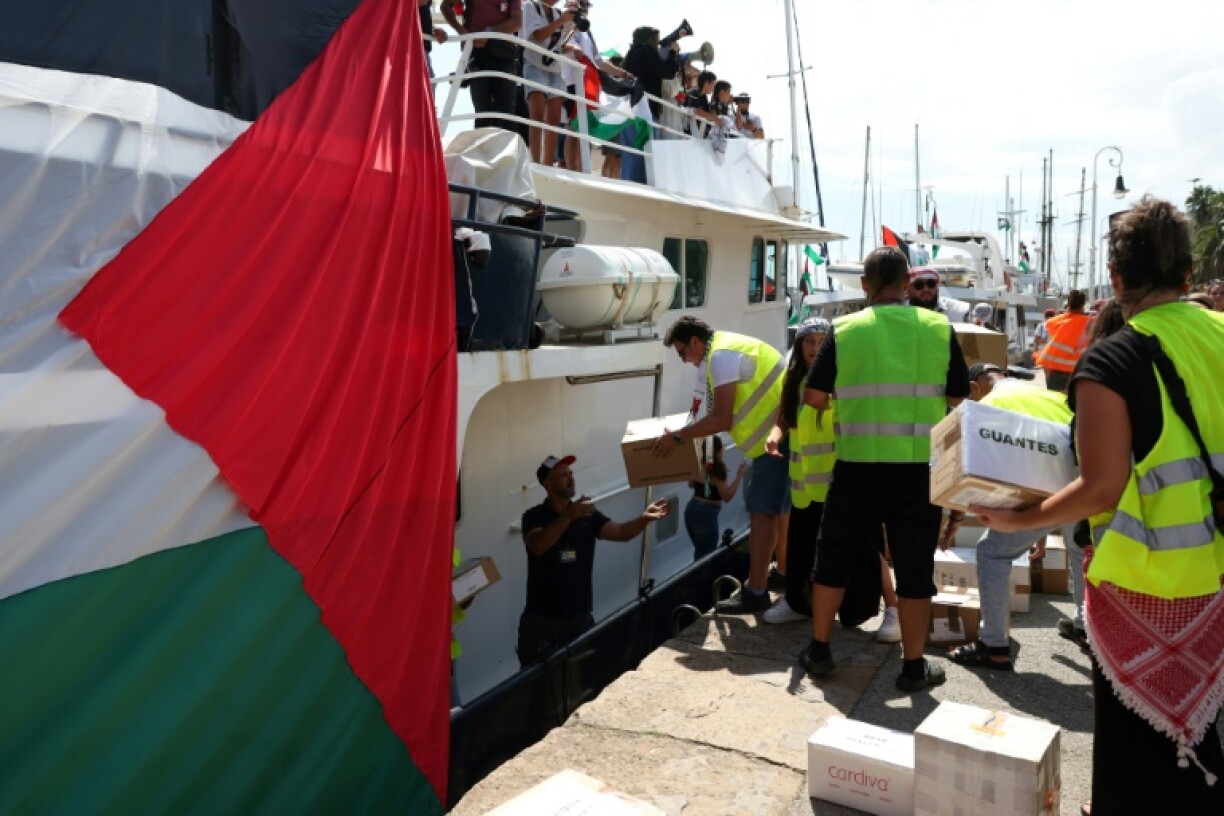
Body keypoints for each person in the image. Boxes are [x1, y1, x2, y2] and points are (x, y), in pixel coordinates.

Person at [972, 197, 1224, 814]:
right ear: (1188, 273)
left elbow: (1100, 488)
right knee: (1203, 730)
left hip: (1148, 581)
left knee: (1137, 744)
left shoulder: (1114, 360)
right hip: (1217, 574)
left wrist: (1018, 520)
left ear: (1115, 277)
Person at [799, 246, 971, 692]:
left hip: (856, 466)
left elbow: (814, 396)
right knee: (914, 569)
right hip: (916, 469)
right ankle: (913, 667)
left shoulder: (845, 329)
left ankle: (820, 648)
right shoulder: (938, 327)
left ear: (865, 285)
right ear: (906, 285)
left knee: (832, 558)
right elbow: (958, 396)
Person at [760, 319, 899, 642]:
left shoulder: (845, 377)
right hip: (805, 486)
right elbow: (784, 419)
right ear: (799, 346)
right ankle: (798, 602)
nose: (814, 347)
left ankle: (893, 609)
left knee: (867, 548)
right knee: (802, 548)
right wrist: (774, 436)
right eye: (808, 341)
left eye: (821, 341)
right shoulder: (793, 379)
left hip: (843, 483)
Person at [941, 363, 1078, 671]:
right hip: (1080, 488)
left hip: (1046, 494)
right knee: (1079, 551)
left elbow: (973, 472)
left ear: (975, 387)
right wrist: (1041, 527)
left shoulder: (986, 408)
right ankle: (1084, 627)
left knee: (991, 553)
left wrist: (956, 519)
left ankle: (993, 645)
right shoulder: (1050, 397)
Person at [655, 316, 789, 613]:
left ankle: (756, 592)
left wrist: (678, 437)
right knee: (776, 512)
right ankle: (780, 574)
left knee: (761, 515)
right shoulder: (725, 349)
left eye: (682, 352)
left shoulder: (720, 357)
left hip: (774, 441)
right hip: (780, 435)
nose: (684, 360)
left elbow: (722, 419)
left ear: (695, 341)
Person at [519, 454, 669, 666]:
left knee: (585, 677)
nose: (570, 478)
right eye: (563, 475)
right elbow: (538, 545)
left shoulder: (587, 514)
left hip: (579, 618)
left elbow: (622, 532)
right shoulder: (533, 517)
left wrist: (644, 519)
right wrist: (568, 517)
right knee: (536, 682)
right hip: (542, 620)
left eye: (571, 473)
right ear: (547, 483)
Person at [441, 0, 523, 131]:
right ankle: (482, 143)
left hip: (504, 53)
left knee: (507, 112)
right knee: (482, 111)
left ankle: (507, 144)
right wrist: (461, 30)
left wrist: (488, 32)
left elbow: (517, 22)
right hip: (478, 53)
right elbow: (445, 5)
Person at [520, 0, 574, 165]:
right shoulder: (530, 6)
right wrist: (562, 20)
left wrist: (572, 24)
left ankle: (547, 164)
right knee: (536, 117)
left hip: (555, 69)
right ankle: (536, 163)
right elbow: (537, 36)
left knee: (554, 121)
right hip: (534, 65)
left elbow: (558, 44)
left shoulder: (557, 13)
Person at [684, 435, 747, 559]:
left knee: (700, 552)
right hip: (707, 515)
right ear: (718, 451)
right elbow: (726, 497)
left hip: (691, 511)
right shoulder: (719, 469)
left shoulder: (698, 463)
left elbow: (690, 484)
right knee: (706, 557)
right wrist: (739, 476)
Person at [1034, 289, 1090, 392]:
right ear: (1083, 305)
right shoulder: (1089, 323)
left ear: (1069, 304)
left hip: (1055, 369)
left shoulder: (1058, 321)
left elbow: (1049, 326)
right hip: (1077, 371)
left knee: (1055, 399)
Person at [622, 26, 680, 121]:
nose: (657, 42)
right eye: (655, 39)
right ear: (649, 39)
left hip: (634, 107)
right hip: (646, 109)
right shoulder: (646, 51)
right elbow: (667, 72)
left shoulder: (632, 53)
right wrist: (673, 53)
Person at [418, 0, 449, 81]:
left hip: (422, 49)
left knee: (429, 83)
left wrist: (432, 29)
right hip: (407, 49)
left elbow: (420, 14)